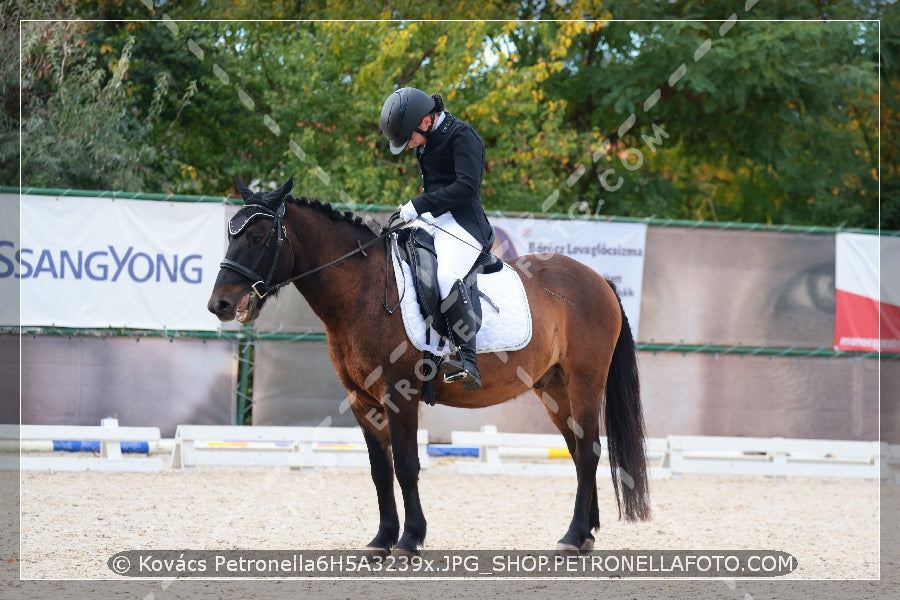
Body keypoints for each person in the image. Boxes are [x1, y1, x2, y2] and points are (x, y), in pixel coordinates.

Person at [379, 86, 494, 391]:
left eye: (410, 137)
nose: (409, 146)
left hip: (466, 225)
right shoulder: (424, 142)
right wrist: (421, 212)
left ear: (426, 121)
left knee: (444, 276)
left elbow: (467, 187)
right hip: (436, 219)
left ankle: (467, 359)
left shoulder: (463, 137)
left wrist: (421, 204)